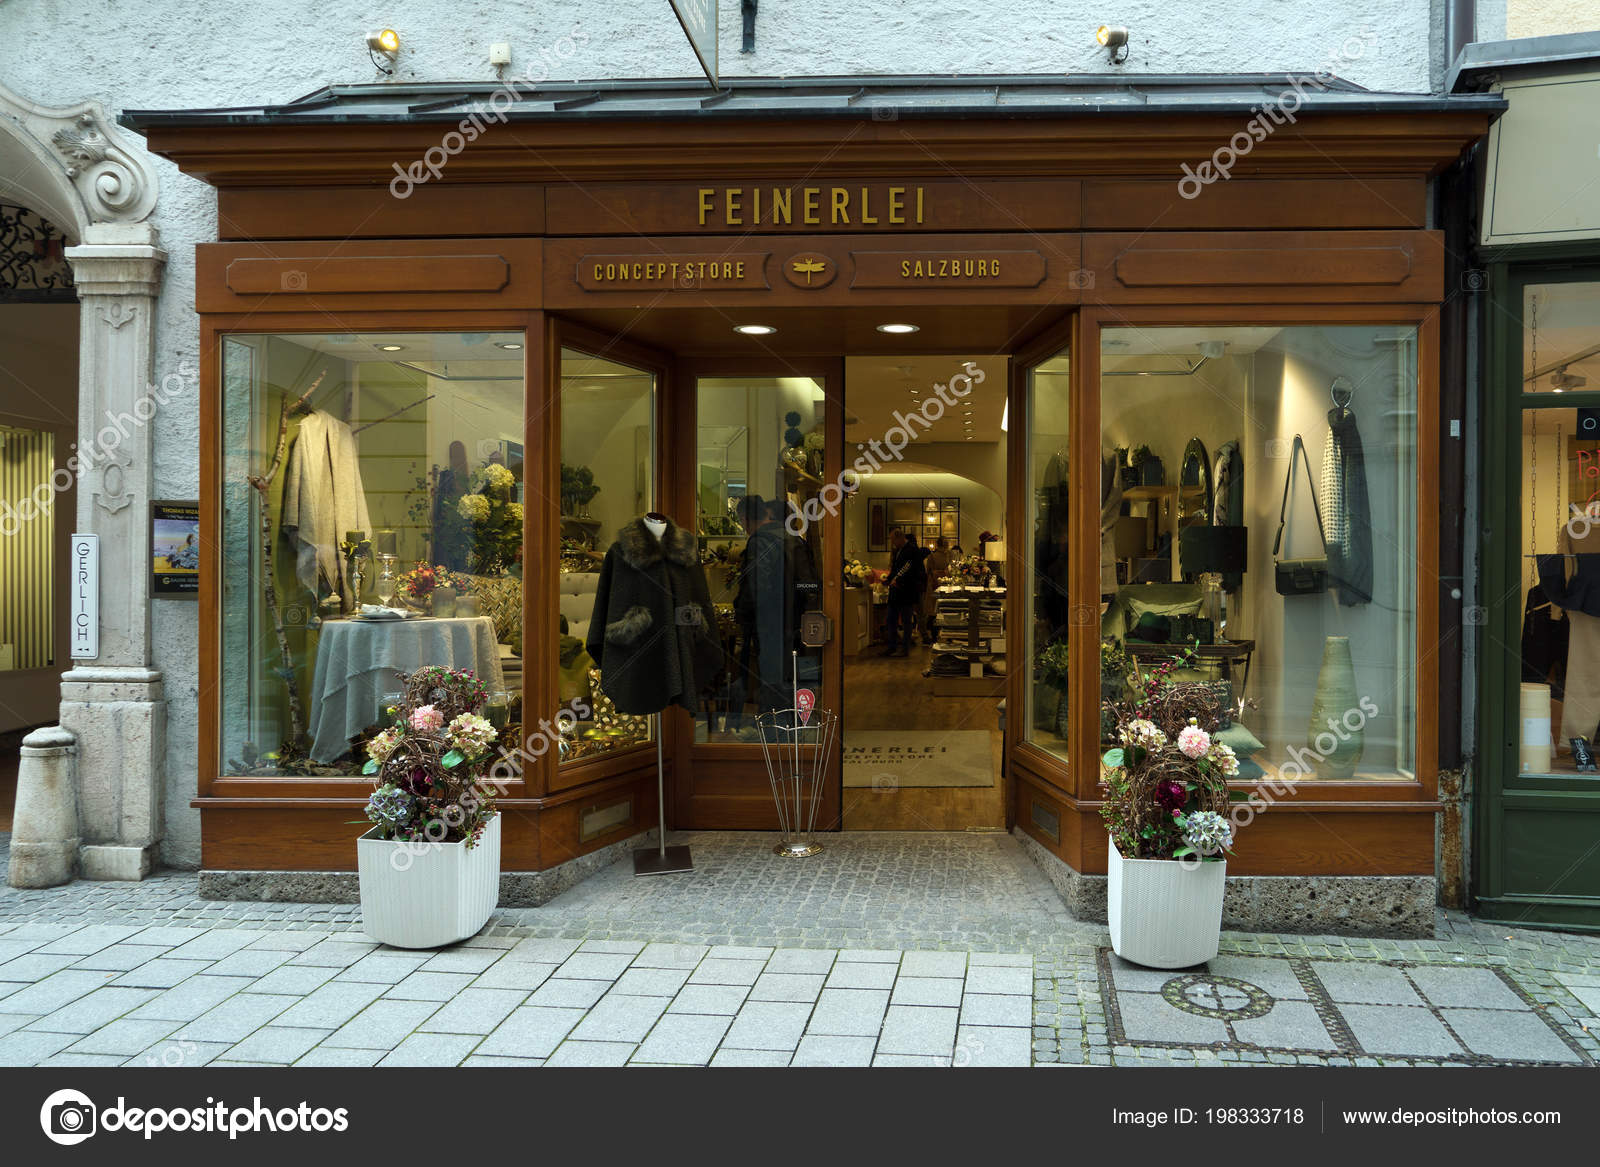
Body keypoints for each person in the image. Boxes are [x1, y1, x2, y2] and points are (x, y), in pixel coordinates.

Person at [883, 529, 926, 657]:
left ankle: (904, 649)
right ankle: (892, 647)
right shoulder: (900, 550)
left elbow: (910, 570)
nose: (892, 543)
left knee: (906, 621)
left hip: (906, 591)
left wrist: (898, 580)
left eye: (893, 540)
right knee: (891, 619)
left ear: (899, 538)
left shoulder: (912, 550)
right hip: (896, 591)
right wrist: (889, 579)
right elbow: (897, 568)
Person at [923, 535, 951, 641]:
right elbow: (930, 572)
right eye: (946, 543)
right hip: (939, 585)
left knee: (935, 612)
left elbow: (928, 571)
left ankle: (935, 636)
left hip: (936, 585)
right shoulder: (936, 556)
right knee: (940, 612)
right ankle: (943, 636)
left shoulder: (932, 556)